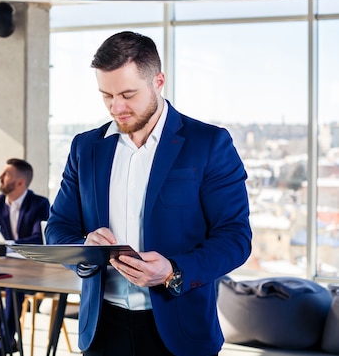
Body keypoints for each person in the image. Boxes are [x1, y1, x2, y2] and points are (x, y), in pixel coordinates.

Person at [45, 31, 252, 356]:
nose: (117, 107)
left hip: (180, 331)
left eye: (128, 94)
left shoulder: (209, 144)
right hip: (101, 330)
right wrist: (84, 250)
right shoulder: (85, 148)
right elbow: (57, 228)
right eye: (106, 95)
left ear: (158, 81)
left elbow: (235, 238)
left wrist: (173, 270)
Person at [0, 158, 50, 356]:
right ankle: (6, 339)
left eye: (6, 175)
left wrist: (9, 246)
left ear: (20, 182)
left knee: (13, 287)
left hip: (34, 268)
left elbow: (39, 237)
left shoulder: (39, 204)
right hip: (8, 267)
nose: (0, 177)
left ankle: (1, 348)